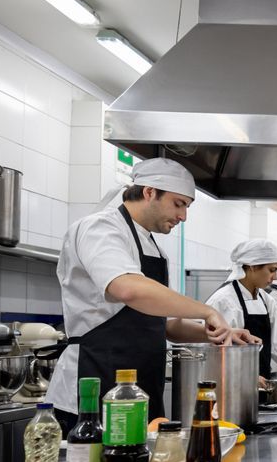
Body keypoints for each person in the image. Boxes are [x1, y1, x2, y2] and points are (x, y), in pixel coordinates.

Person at [49, 158, 258, 426]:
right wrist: (207, 310)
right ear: (149, 192)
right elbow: (127, 288)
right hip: (94, 382)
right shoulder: (100, 228)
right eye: (179, 204)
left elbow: (163, 323)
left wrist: (214, 332)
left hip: (143, 386)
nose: (183, 216)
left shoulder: (151, 245)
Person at [205, 239, 277, 386]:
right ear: (252, 267)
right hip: (229, 386)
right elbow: (214, 354)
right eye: (272, 270)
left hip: (260, 385)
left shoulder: (266, 300)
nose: (275, 277)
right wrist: (246, 376)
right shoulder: (224, 300)